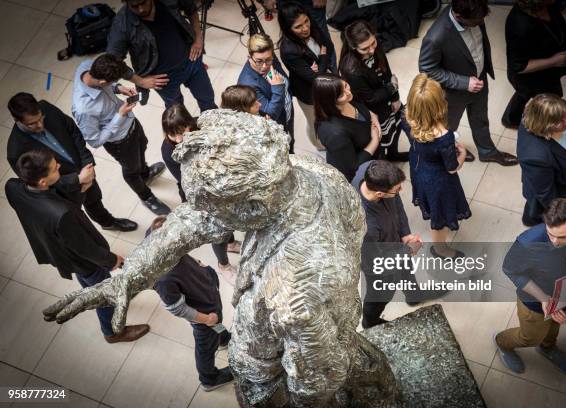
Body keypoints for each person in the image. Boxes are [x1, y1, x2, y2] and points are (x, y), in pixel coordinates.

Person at [43, 109, 399, 407]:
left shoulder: (298, 290)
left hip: (283, 352)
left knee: (292, 372)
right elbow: (193, 220)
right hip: (299, 321)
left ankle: (370, 382)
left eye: (218, 209)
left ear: (253, 206)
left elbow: (319, 376)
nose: (205, 217)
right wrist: (128, 278)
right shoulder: (298, 173)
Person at [6, 149, 150, 343]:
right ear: (42, 181)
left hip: (57, 250)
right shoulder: (61, 215)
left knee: (89, 281)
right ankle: (113, 332)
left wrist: (79, 189)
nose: (59, 166)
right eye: (54, 168)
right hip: (82, 259)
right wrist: (112, 260)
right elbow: (85, 248)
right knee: (104, 293)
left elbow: (55, 206)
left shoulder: (12, 187)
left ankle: (101, 295)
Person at [6, 93, 137, 232]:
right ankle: (103, 224)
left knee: (94, 199)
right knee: (78, 220)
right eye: (32, 124)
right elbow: (38, 183)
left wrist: (87, 164)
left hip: (83, 168)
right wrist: (77, 179)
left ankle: (107, 222)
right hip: (64, 191)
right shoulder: (16, 151)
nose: (40, 125)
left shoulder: (45, 107)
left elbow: (73, 131)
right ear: (16, 120)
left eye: (40, 118)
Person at [495, 198, 566, 375]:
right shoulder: (528, 243)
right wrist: (544, 299)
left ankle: (548, 347)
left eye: (562, 237)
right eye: (551, 234)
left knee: (554, 327)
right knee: (530, 337)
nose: (554, 242)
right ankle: (502, 343)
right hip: (535, 303)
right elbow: (510, 270)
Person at [419, 0, 518, 166]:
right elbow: (427, 69)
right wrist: (464, 83)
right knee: (449, 127)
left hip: (480, 80)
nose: (480, 23)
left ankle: (487, 152)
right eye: (475, 22)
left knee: (480, 119)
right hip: (453, 93)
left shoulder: (477, 14)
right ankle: (452, 151)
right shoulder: (436, 37)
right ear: (458, 15)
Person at [72, 53, 170, 216]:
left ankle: (145, 174)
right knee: (131, 170)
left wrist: (118, 88)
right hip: (119, 142)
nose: (114, 84)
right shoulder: (84, 109)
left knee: (142, 146)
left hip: (131, 124)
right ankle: (146, 197)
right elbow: (95, 141)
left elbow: (108, 87)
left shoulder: (87, 67)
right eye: (112, 83)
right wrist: (120, 115)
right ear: (102, 82)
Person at [148, 216, 233, 391]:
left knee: (217, 325)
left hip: (209, 301)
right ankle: (209, 379)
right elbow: (178, 308)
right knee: (205, 347)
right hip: (203, 316)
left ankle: (223, 338)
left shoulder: (167, 242)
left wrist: (199, 265)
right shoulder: (163, 279)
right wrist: (205, 319)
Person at [161, 103, 241, 283]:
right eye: (173, 134)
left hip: (220, 184)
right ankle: (224, 265)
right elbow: (186, 180)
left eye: (182, 132)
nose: (178, 139)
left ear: (191, 124)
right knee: (218, 231)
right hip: (200, 194)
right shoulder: (169, 150)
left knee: (230, 222)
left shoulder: (202, 126)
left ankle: (231, 243)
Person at [107, 0, 217, 112]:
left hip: (191, 62)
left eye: (143, 3)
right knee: (177, 114)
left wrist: (198, 38)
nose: (141, 9)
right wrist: (140, 81)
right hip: (162, 79)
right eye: (134, 6)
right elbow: (112, 60)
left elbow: (191, 9)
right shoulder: (122, 23)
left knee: (208, 102)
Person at [352, 160, 423, 329]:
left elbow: (397, 205)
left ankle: (413, 295)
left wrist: (405, 233)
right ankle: (370, 321)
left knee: (407, 270)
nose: (400, 191)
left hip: (396, 243)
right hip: (378, 261)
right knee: (381, 293)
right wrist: (408, 250)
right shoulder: (366, 226)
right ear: (379, 194)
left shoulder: (371, 169)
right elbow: (373, 263)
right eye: (397, 190)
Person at [406, 74, 471, 259]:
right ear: (439, 105)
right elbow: (451, 168)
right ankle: (440, 249)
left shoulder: (409, 118)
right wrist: (463, 155)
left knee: (431, 204)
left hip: (419, 168)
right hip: (439, 181)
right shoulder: (444, 136)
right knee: (440, 217)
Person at [502, 0, 566, 129]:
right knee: (543, 97)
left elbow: (555, 16)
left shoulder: (548, 3)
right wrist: (553, 61)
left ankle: (511, 118)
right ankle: (564, 123)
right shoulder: (519, 26)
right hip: (532, 76)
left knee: (523, 94)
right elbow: (518, 66)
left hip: (548, 71)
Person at [339, 20, 409, 162]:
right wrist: (392, 88)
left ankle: (393, 155)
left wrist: (395, 97)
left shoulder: (375, 47)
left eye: (373, 43)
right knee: (379, 142)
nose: (372, 50)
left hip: (388, 100)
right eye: (365, 49)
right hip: (373, 111)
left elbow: (387, 72)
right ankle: (383, 165)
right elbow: (370, 98)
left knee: (396, 129)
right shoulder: (351, 69)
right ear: (353, 47)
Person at [517, 94, 566, 227]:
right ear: (546, 125)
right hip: (555, 190)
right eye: (561, 121)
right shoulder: (536, 157)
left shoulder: (533, 115)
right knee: (538, 210)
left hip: (551, 179)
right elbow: (548, 196)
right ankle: (533, 220)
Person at [278, 1, 336, 151]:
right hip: (308, 93)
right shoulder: (289, 50)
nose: (305, 28)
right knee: (315, 122)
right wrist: (322, 58)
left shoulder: (311, 26)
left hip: (323, 78)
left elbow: (328, 46)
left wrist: (319, 67)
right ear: (288, 29)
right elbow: (314, 78)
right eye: (298, 26)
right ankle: (321, 146)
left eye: (306, 21)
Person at [314, 74, 382, 182]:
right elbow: (353, 167)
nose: (348, 93)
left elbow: (363, 110)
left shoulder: (347, 99)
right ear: (330, 100)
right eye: (341, 95)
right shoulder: (335, 133)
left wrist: (372, 116)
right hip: (360, 173)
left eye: (346, 85)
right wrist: (375, 141)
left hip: (371, 155)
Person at [238, 33, 294, 153]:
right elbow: (270, 114)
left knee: (291, 141)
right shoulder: (248, 84)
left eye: (268, 60)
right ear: (249, 57)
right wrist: (278, 87)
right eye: (258, 61)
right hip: (277, 123)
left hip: (287, 112)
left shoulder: (269, 58)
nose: (264, 66)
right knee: (285, 149)